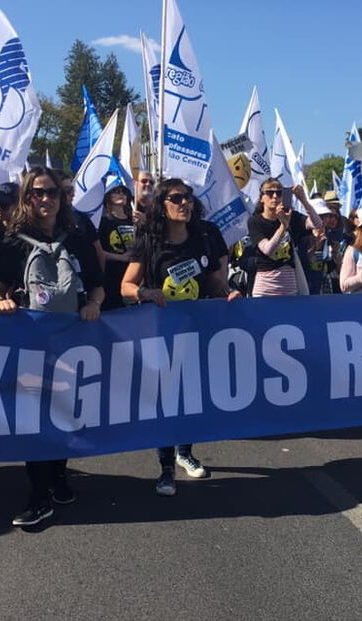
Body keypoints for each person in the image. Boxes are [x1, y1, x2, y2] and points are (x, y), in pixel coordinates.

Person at [0, 167, 104, 527]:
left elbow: (98, 284)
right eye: (37, 192)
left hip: (71, 341)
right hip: (31, 342)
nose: (45, 199)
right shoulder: (15, 241)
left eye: (51, 192)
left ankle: (58, 476)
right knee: (35, 418)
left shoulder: (77, 238)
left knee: (64, 412)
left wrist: (93, 304)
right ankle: (38, 497)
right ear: (26, 197)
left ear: (61, 197)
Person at [120, 178, 240, 496]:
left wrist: (227, 293)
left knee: (190, 397)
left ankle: (185, 453)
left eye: (187, 197)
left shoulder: (203, 235)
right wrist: (145, 292)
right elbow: (126, 286)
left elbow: (214, 282)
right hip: (161, 332)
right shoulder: (149, 240)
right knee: (166, 399)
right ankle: (166, 469)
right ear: (162, 205)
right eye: (176, 198)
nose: (184, 203)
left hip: (197, 330)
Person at [247, 179, 323, 297]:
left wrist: (304, 201)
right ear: (262, 198)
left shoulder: (290, 215)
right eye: (270, 193)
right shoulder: (255, 221)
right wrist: (283, 227)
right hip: (265, 288)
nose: (275, 196)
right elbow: (267, 249)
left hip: (289, 287)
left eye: (279, 193)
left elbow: (317, 224)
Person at [97, 182, 136, 311]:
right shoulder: (103, 222)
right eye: (117, 191)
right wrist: (121, 257)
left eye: (123, 192)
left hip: (133, 277)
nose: (121, 194)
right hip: (112, 278)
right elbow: (98, 251)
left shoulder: (134, 222)